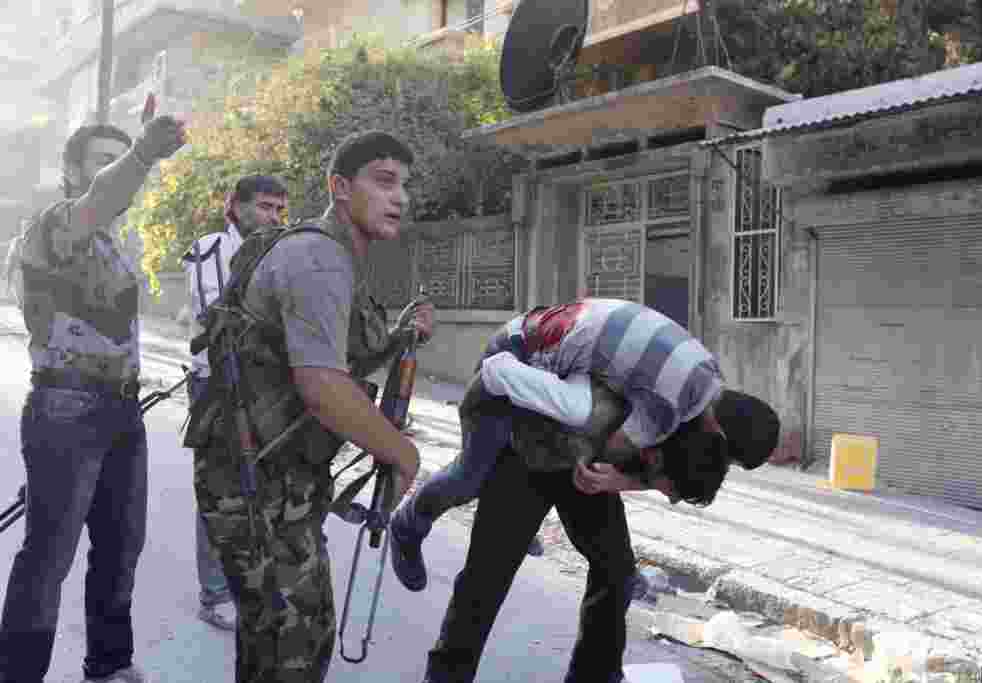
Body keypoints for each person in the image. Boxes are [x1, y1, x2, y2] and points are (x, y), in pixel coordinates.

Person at [392, 298, 780, 683]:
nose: (721, 467)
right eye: (728, 461)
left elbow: (661, 475)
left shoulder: (701, 393)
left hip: (584, 454)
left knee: (616, 571)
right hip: (530, 443)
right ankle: (445, 673)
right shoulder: (670, 405)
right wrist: (619, 477)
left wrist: (617, 478)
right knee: (489, 570)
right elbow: (624, 457)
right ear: (719, 434)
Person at [185, 130, 434, 683]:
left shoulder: (329, 255)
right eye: (385, 181)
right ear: (340, 188)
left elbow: (337, 358)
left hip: (274, 475)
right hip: (255, 480)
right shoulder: (319, 259)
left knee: (276, 641)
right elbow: (322, 385)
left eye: (405, 186)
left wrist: (397, 338)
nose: (401, 198)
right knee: (292, 645)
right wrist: (403, 455)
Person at [0, 116, 186, 683]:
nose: (109, 169)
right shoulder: (55, 224)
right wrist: (143, 154)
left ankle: (108, 663)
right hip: (66, 407)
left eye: (118, 158)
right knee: (49, 556)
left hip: (121, 408)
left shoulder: (110, 240)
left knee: (121, 546)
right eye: (99, 159)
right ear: (73, 170)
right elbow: (102, 197)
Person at [183, 175, 289, 631]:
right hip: (219, 384)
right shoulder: (211, 249)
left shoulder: (284, 249)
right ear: (237, 207)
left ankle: (262, 582)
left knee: (272, 488)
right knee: (222, 490)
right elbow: (218, 316)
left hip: (271, 386)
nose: (274, 217)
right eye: (265, 207)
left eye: (280, 210)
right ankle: (214, 593)